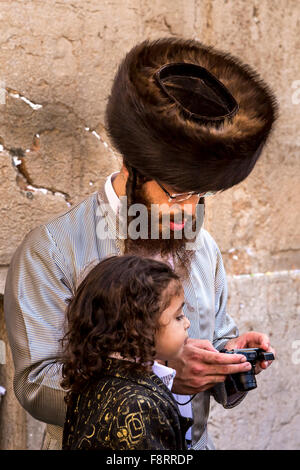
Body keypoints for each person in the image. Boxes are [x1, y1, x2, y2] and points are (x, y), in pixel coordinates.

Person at [4, 37, 277, 450]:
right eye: (176, 192)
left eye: (198, 195)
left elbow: (214, 336)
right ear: (131, 165)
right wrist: (161, 375)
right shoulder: (52, 249)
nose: (189, 213)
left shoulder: (204, 249)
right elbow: (36, 384)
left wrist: (229, 361)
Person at [61, 254, 193, 450]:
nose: (187, 323)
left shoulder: (95, 376)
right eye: (178, 316)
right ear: (138, 326)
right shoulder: (138, 406)